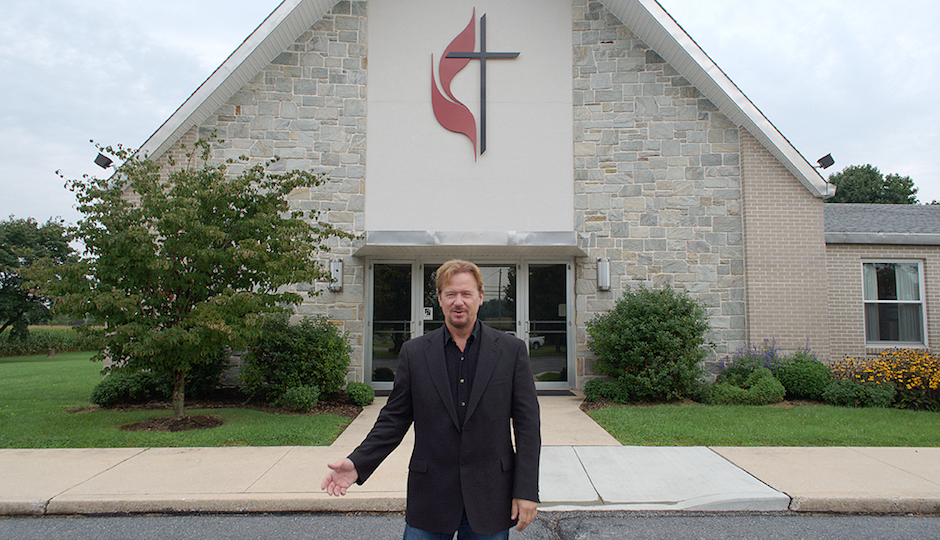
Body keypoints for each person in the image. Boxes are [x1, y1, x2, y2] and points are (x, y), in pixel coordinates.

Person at [322, 259, 541, 539]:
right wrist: (357, 463)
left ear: (480, 297)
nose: (458, 302)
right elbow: (394, 419)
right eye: (450, 294)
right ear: (440, 299)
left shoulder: (511, 351)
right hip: (431, 497)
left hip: (491, 496)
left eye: (466, 294)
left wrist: (526, 490)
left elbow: (527, 427)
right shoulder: (415, 353)